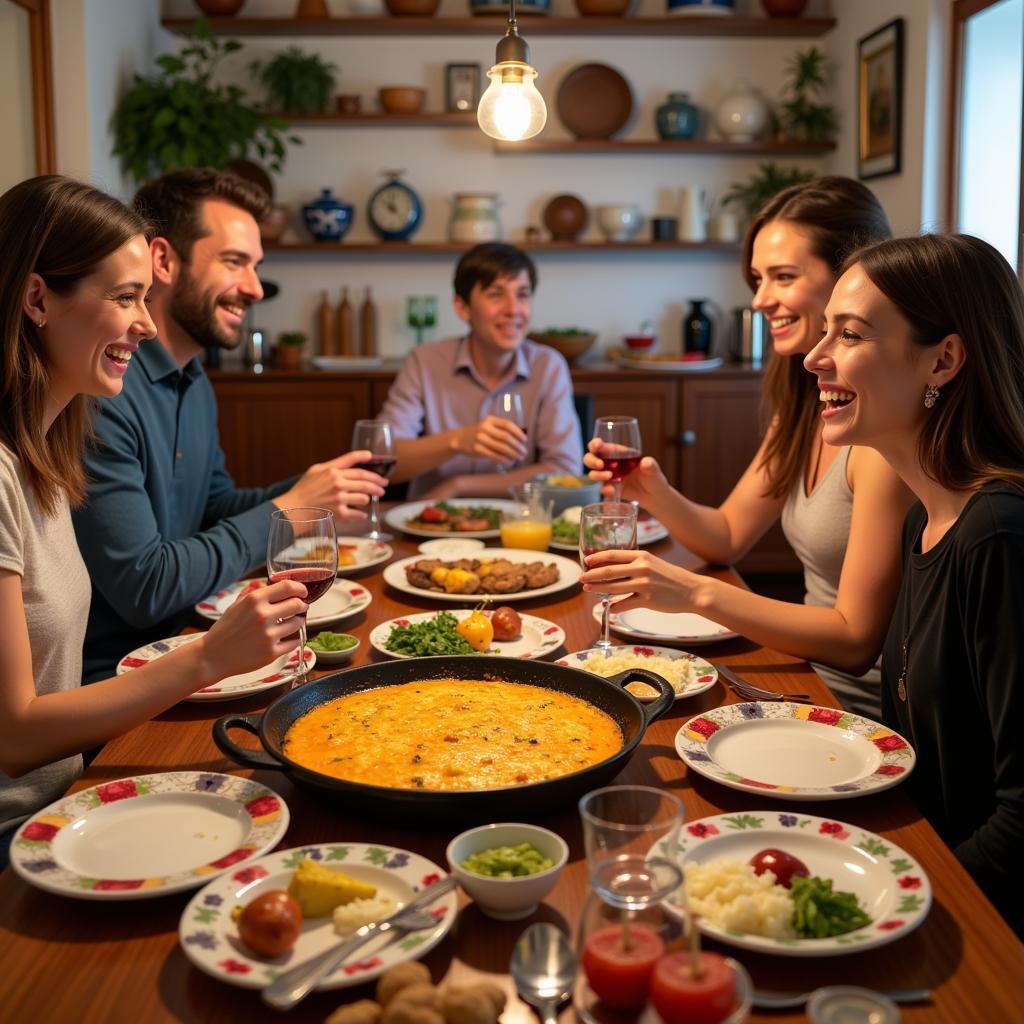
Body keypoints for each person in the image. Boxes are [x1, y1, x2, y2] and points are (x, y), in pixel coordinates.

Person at [0, 175, 308, 863]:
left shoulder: (46, 458)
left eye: (143, 296)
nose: (145, 322)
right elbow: (15, 737)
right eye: (124, 298)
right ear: (38, 298)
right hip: (19, 834)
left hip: (68, 796)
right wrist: (208, 656)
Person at [581, 177, 913, 719]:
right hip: (795, 678)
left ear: (851, 278)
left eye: (783, 277)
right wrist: (654, 489)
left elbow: (855, 644)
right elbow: (728, 537)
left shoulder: (878, 434)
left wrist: (695, 594)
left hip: (853, 712)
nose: (760, 299)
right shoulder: (808, 403)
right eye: (757, 279)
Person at [72, 169, 386, 682]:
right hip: (119, 684)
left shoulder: (194, 378)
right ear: (164, 260)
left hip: (192, 644)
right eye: (235, 262)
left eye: (255, 266)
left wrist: (312, 496)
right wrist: (288, 509)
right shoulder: (103, 391)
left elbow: (213, 508)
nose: (256, 288)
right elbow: (145, 589)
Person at [805, 232, 1024, 937]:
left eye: (851, 334)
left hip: (980, 920)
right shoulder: (924, 520)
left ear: (945, 359)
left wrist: (892, 915)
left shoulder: (998, 535)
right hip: (918, 862)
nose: (816, 356)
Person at [380, 242, 583, 500]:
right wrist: (458, 441)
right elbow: (384, 460)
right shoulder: (425, 362)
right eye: (496, 294)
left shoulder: (548, 366)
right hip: (432, 526)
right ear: (462, 307)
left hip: (520, 527)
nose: (513, 310)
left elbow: (565, 471)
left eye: (522, 294)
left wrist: (459, 486)